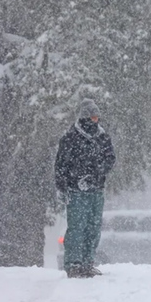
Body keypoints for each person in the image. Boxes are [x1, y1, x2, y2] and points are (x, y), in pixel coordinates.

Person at [55, 99, 116, 278]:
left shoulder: (103, 137)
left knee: (93, 227)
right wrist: (64, 186)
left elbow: (110, 158)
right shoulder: (70, 138)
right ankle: (74, 264)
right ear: (85, 118)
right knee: (77, 227)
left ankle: (87, 263)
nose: (96, 120)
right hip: (76, 191)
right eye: (93, 117)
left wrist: (97, 172)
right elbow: (61, 165)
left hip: (97, 190)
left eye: (97, 117)